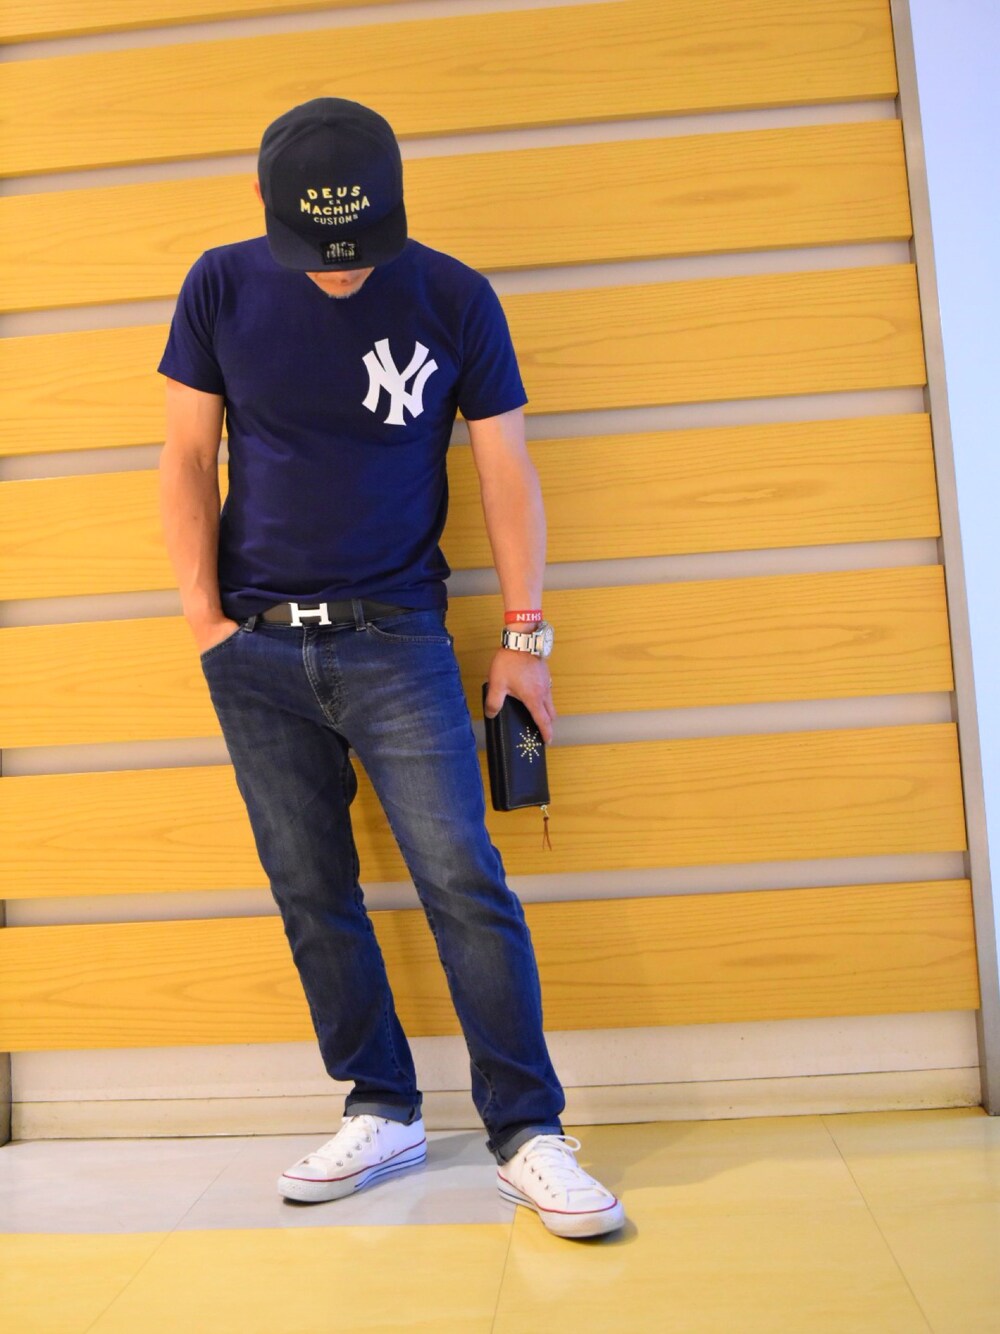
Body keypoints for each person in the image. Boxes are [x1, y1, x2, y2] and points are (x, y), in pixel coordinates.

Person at [157, 97, 625, 1240]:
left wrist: (525, 635)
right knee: (308, 884)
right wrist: (205, 622)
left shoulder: (454, 295)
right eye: (317, 249)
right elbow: (186, 454)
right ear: (265, 209)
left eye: (359, 244)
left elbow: (505, 467)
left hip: (399, 634)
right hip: (256, 644)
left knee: (463, 877)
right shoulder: (219, 285)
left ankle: (528, 1128)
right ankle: (381, 1105)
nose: (339, 269)